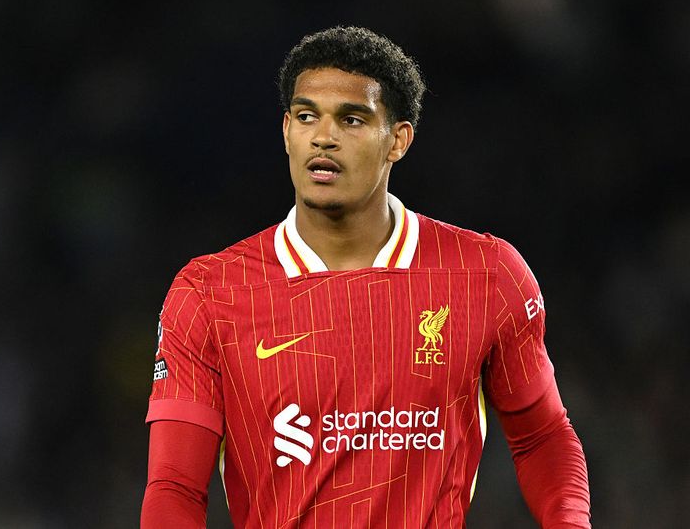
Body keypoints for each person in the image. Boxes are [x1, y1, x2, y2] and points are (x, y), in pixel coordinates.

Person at [141, 26, 591, 528]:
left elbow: (543, 435)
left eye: (351, 119)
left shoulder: (486, 274)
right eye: (307, 116)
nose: (323, 136)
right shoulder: (210, 291)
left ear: (398, 139)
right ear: (286, 129)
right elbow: (175, 486)